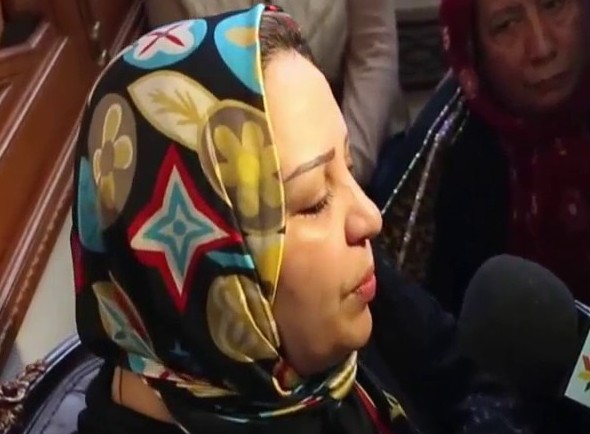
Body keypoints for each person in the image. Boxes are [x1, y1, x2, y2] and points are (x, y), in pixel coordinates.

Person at [71, 5, 537, 434]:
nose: (369, 218)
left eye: (347, 168)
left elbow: (469, 378)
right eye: (314, 201)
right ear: (205, 255)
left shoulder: (354, 288)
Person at [376, 0, 590, 315]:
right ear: (472, 44)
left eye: (553, 5)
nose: (542, 48)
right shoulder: (445, 159)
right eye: (506, 25)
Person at [143, 0, 409, 186]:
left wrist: (346, 170)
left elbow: (374, 53)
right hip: (246, 164)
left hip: (362, 141)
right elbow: (187, 86)